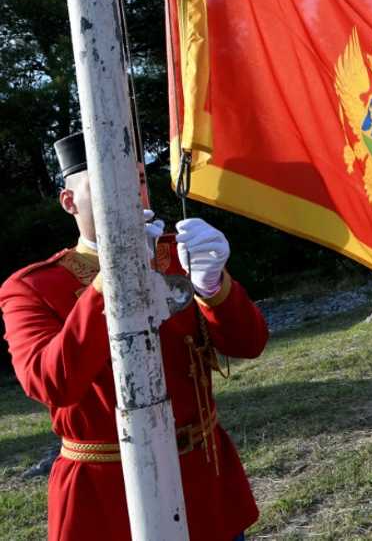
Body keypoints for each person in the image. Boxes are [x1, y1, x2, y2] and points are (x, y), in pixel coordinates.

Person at [0, 132, 269, 541]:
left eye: (139, 179)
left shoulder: (178, 253)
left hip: (203, 485)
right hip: (110, 500)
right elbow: (49, 382)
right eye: (106, 181)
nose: (129, 191)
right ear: (69, 202)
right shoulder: (34, 287)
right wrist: (111, 276)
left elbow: (248, 344)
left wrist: (215, 287)